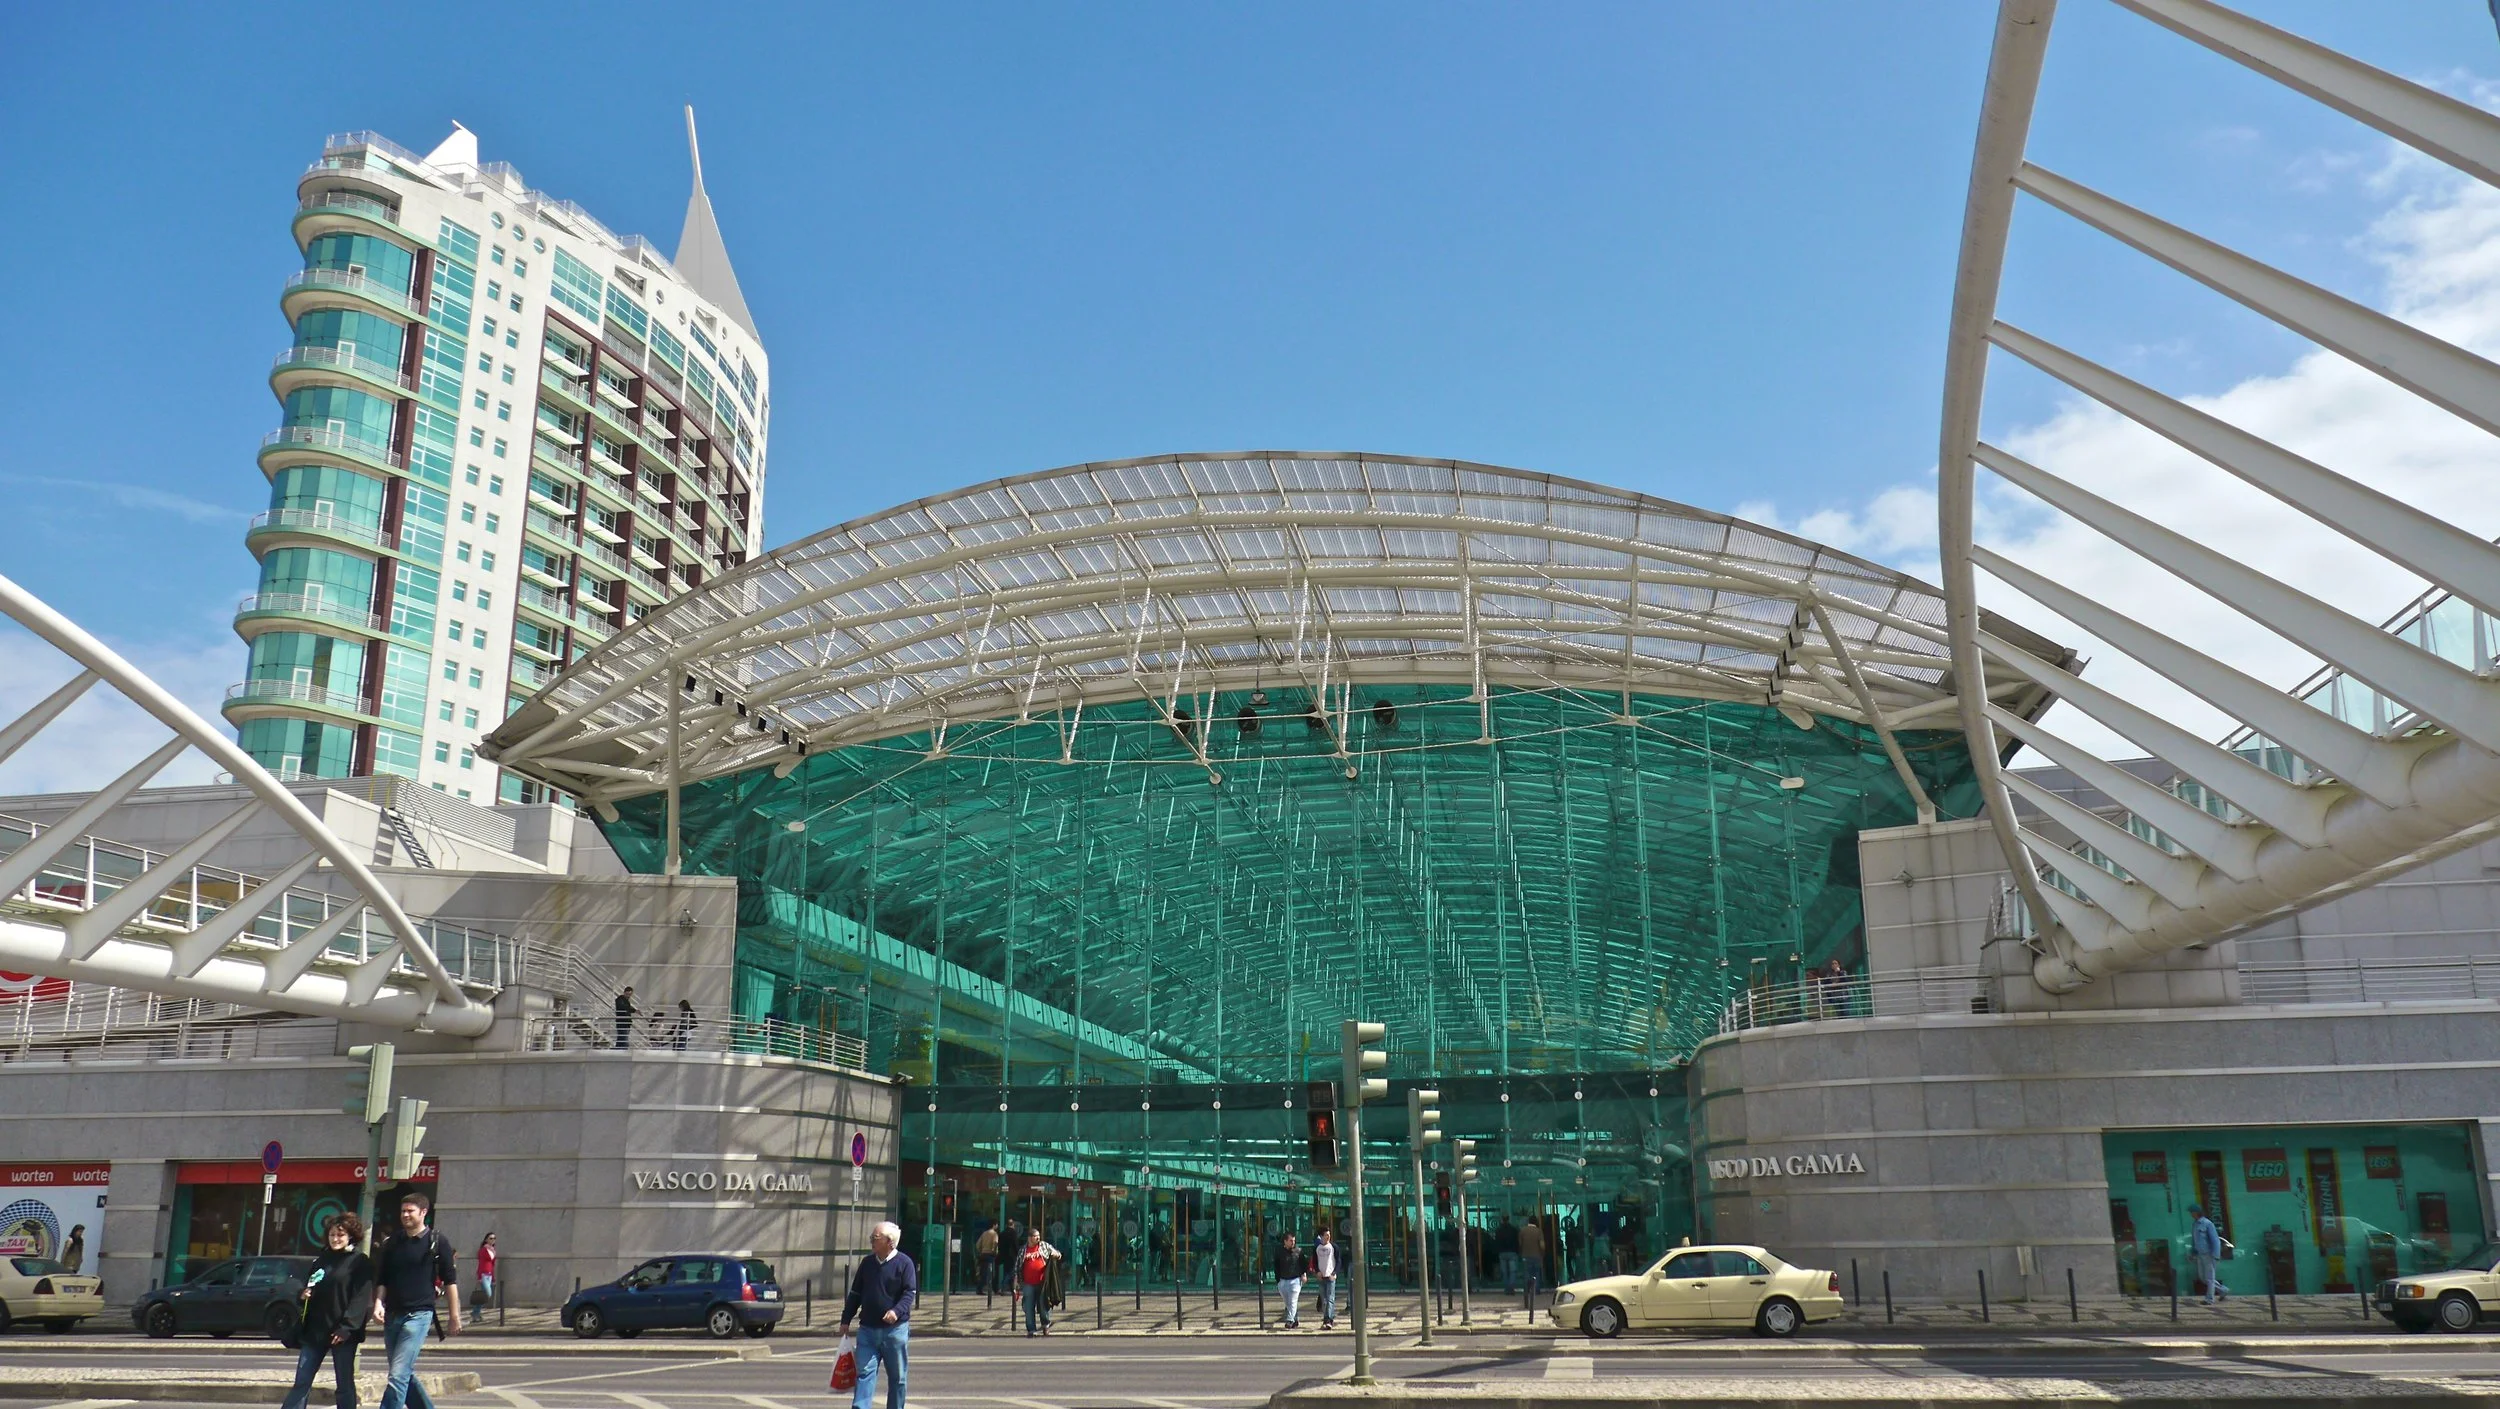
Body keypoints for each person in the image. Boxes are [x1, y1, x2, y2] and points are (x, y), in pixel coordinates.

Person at [370, 1193, 460, 1409]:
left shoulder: (437, 1241)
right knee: (403, 1374)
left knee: (397, 1375)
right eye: (403, 1211)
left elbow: (450, 1281)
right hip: (392, 1315)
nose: (405, 1215)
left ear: (423, 1212)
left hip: (418, 1315)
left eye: (410, 1211)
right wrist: (378, 1303)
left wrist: (454, 1316)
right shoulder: (392, 1243)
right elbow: (383, 1279)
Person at [281, 1213, 375, 1409]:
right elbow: (309, 1284)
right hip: (315, 1329)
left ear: (351, 1236)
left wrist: (347, 1327)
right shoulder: (321, 1260)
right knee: (302, 1381)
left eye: (340, 1235)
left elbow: (360, 1298)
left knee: (344, 1384)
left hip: (341, 1332)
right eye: (332, 1235)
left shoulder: (359, 1261)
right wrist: (303, 1294)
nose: (335, 1239)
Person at [839, 1220, 917, 1409]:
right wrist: (845, 1319)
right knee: (864, 1373)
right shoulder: (867, 1263)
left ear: (890, 1242)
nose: (871, 1241)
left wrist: (896, 1311)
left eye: (875, 1237)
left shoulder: (904, 1263)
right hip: (868, 1330)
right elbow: (855, 1293)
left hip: (895, 1331)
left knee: (898, 1378)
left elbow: (909, 1293)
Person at [1015, 1228, 1062, 1336]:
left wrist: (1056, 1254)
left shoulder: (1044, 1246)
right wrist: (1016, 1281)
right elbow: (1017, 1266)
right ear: (1029, 1238)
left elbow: (1058, 1254)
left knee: (1043, 1305)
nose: (1038, 1238)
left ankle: (1045, 1325)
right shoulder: (1023, 1250)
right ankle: (1031, 1329)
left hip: (1042, 1283)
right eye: (1035, 1236)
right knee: (1029, 1306)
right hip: (1028, 1283)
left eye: (1039, 1236)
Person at [2189, 1205, 2228, 1303]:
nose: (2191, 1214)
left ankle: (2209, 1299)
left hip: (2208, 1254)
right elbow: (2194, 1240)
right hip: (2200, 1254)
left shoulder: (2207, 1223)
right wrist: (2193, 1252)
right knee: (2203, 1277)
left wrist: (2216, 1255)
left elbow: (2215, 1240)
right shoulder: (2195, 1224)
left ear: (2196, 1212)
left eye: (2192, 1212)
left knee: (2209, 1277)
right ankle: (2223, 1290)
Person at [1274, 1232, 1311, 1329]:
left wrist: (1304, 1274)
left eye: (1294, 1240)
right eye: (1291, 1241)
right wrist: (1278, 1280)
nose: (1293, 1242)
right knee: (1288, 1303)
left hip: (1295, 1280)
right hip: (1283, 1280)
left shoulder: (1298, 1251)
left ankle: (1290, 1320)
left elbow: (1304, 1264)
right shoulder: (1279, 1252)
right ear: (1285, 1241)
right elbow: (1276, 1266)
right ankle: (1295, 1319)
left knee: (1293, 1301)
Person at [1312, 1227, 1341, 1330]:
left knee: (1330, 1299)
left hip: (1330, 1276)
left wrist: (1334, 1273)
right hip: (1321, 1276)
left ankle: (1329, 1320)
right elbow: (1314, 1261)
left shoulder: (1334, 1247)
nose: (1328, 1237)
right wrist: (1317, 1271)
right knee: (1323, 1299)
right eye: (1326, 1235)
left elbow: (1338, 1261)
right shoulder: (1317, 1248)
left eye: (1329, 1235)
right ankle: (1326, 1317)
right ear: (1321, 1236)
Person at [1517, 1217, 1546, 1300]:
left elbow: (1520, 1244)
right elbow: (1542, 1245)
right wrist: (1542, 1253)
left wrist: (1522, 1252)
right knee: (1536, 1273)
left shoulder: (1522, 1231)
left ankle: (1527, 1290)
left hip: (1526, 1256)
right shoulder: (1538, 1231)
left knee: (1527, 1273)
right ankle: (1536, 1290)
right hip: (1537, 1255)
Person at [974, 1224, 1000, 1301]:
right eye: (997, 1225)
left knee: (983, 1273)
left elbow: (977, 1244)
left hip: (983, 1255)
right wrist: (995, 1252)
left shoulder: (984, 1233)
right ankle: (995, 1289)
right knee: (993, 1273)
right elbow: (995, 1243)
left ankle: (979, 1288)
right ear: (994, 1225)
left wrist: (981, 1251)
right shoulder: (994, 1234)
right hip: (990, 1255)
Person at [1495, 1216, 1520, 1292]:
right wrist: (1517, 1251)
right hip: (1512, 1252)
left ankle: (1507, 1288)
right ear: (1508, 1219)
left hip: (1502, 1252)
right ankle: (1511, 1287)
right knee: (1513, 1271)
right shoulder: (1513, 1229)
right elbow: (1517, 1241)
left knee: (1504, 1272)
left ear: (1502, 1220)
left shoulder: (1498, 1230)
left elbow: (1496, 1242)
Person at [474, 1232, 497, 1310]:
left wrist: (493, 1278)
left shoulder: (493, 1251)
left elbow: (492, 1265)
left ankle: (476, 1313)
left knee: (484, 1295)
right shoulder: (483, 1250)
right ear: (486, 1240)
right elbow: (480, 1264)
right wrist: (479, 1276)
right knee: (488, 1294)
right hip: (484, 1274)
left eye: (494, 1238)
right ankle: (475, 1312)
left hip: (489, 1275)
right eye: (491, 1238)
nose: (493, 1240)